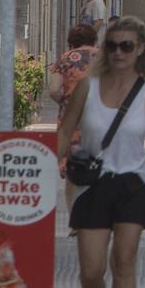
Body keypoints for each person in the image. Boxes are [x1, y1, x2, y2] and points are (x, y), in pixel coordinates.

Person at [57, 17, 145, 288]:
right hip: (92, 184)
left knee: (123, 263)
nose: (118, 52)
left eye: (126, 46)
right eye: (112, 46)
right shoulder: (88, 87)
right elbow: (64, 131)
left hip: (132, 183)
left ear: (141, 49)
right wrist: (43, 165)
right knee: (91, 273)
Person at [49, 24, 101, 216]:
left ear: (72, 41)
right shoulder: (103, 57)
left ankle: (75, 216)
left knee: (73, 168)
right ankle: (95, 211)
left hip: (72, 119)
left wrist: (64, 103)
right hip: (99, 116)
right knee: (98, 162)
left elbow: (54, 90)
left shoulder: (65, 58)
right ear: (94, 39)